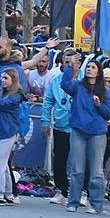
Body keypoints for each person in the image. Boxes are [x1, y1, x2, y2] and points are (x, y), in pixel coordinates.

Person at [61, 57, 110, 214]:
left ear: (99, 72)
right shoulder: (78, 86)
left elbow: (109, 113)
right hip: (78, 130)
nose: (90, 69)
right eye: (88, 67)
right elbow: (64, 84)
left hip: (97, 132)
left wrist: (99, 105)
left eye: (93, 67)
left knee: (96, 171)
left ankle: (96, 204)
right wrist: (71, 67)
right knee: (77, 169)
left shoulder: (106, 91)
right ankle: (73, 202)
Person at [41, 49, 77, 205]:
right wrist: (45, 122)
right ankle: (61, 190)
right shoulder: (56, 81)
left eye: (72, 62)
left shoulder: (84, 80)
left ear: (78, 63)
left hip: (78, 128)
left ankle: (80, 191)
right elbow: (48, 102)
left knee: (78, 162)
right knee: (60, 160)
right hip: (61, 127)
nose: (69, 66)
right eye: (66, 62)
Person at [0, 68, 24, 205]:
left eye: (6, 78)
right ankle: (8, 193)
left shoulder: (16, 96)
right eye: (2, 78)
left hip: (7, 132)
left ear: (13, 80)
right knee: (4, 165)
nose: (2, 81)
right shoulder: (1, 92)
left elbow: (0, 104)